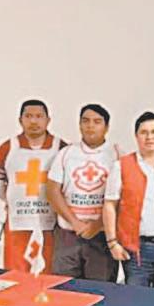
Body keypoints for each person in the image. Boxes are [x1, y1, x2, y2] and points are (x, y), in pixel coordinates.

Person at [103, 111, 154, 288]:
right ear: (136, 136)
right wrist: (112, 242)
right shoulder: (121, 165)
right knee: (136, 298)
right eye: (144, 132)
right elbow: (109, 205)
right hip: (137, 249)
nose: (149, 137)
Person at [0, 100, 66, 273]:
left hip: (51, 223)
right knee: (16, 272)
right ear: (20, 120)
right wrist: (12, 199)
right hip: (17, 222)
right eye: (28, 116)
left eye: (39, 116)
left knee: (49, 271)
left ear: (48, 120)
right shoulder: (8, 147)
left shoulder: (61, 148)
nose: (33, 121)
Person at [47, 104, 119, 281]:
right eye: (85, 121)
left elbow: (123, 198)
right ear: (79, 124)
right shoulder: (66, 153)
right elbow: (52, 191)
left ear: (107, 127)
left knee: (100, 288)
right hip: (68, 235)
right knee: (63, 288)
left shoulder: (117, 155)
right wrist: (75, 223)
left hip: (102, 236)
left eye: (97, 122)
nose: (90, 126)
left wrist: (97, 225)